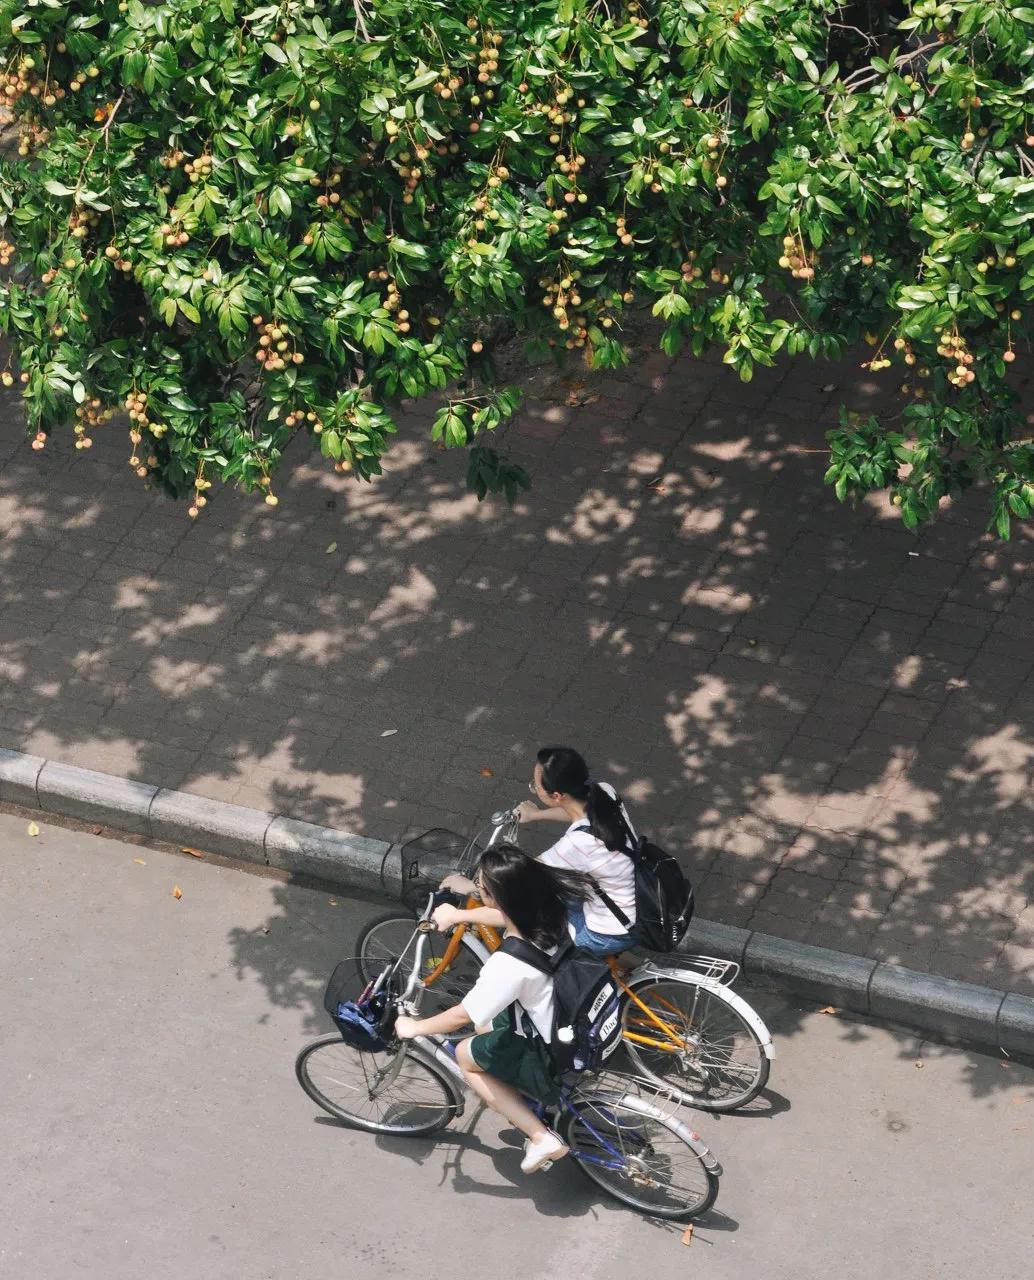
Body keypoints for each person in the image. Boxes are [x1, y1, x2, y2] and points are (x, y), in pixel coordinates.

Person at [394, 844, 595, 1173]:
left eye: (480, 885)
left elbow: (461, 1015)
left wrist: (414, 1028)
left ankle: (541, 1137)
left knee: (465, 1056)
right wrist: (459, 915)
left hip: (546, 1046)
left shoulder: (508, 965)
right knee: (485, 1027)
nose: (477, 887)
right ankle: (521, 1094)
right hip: (567, 1015)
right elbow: (505, 915)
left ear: (497, 896)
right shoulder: (549, 911)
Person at [435, 746, 638, 957]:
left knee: (528, 920)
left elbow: (516, 883)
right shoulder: (604, 792)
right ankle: (628, 967)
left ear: (557, 795)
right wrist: (536, 815)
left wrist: (466, 896)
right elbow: (576, 812)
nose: (533, 788)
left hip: (609, 931)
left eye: (535, 786)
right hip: (630, 900)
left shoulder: (575, 846)